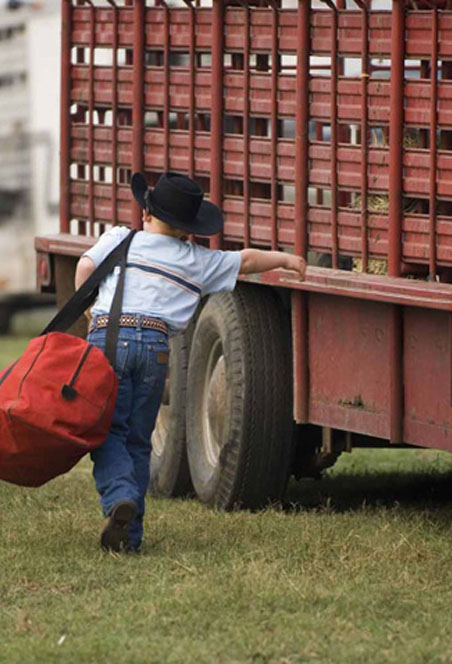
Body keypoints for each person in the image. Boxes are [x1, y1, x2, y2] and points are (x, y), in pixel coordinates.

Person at [75, 171, 307, 553]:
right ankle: (129, 538)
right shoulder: (196, 260)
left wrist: (90, 312)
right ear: (187, 231)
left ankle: (118, 498)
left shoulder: (120, 238)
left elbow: (86, 268)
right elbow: (246, 260)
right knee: (137, 439)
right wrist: (287, 258)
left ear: (146, 214)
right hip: (155, 345)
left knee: (104, 431)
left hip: (109, 338)